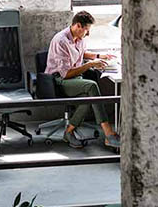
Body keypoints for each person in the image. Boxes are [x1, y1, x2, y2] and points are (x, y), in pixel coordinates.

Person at [44, 11, 120, 149]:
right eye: (87, 30)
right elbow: (65, 74)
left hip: (74, 78)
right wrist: (90, 64)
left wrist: (98, 55)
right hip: (59, 80)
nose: (88, 34)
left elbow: (80, 53)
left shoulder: (79, 38)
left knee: (88, 97)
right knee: (91, 86)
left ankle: (69, 132)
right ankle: (108, 133)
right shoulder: (61, 40)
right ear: (78, 25)